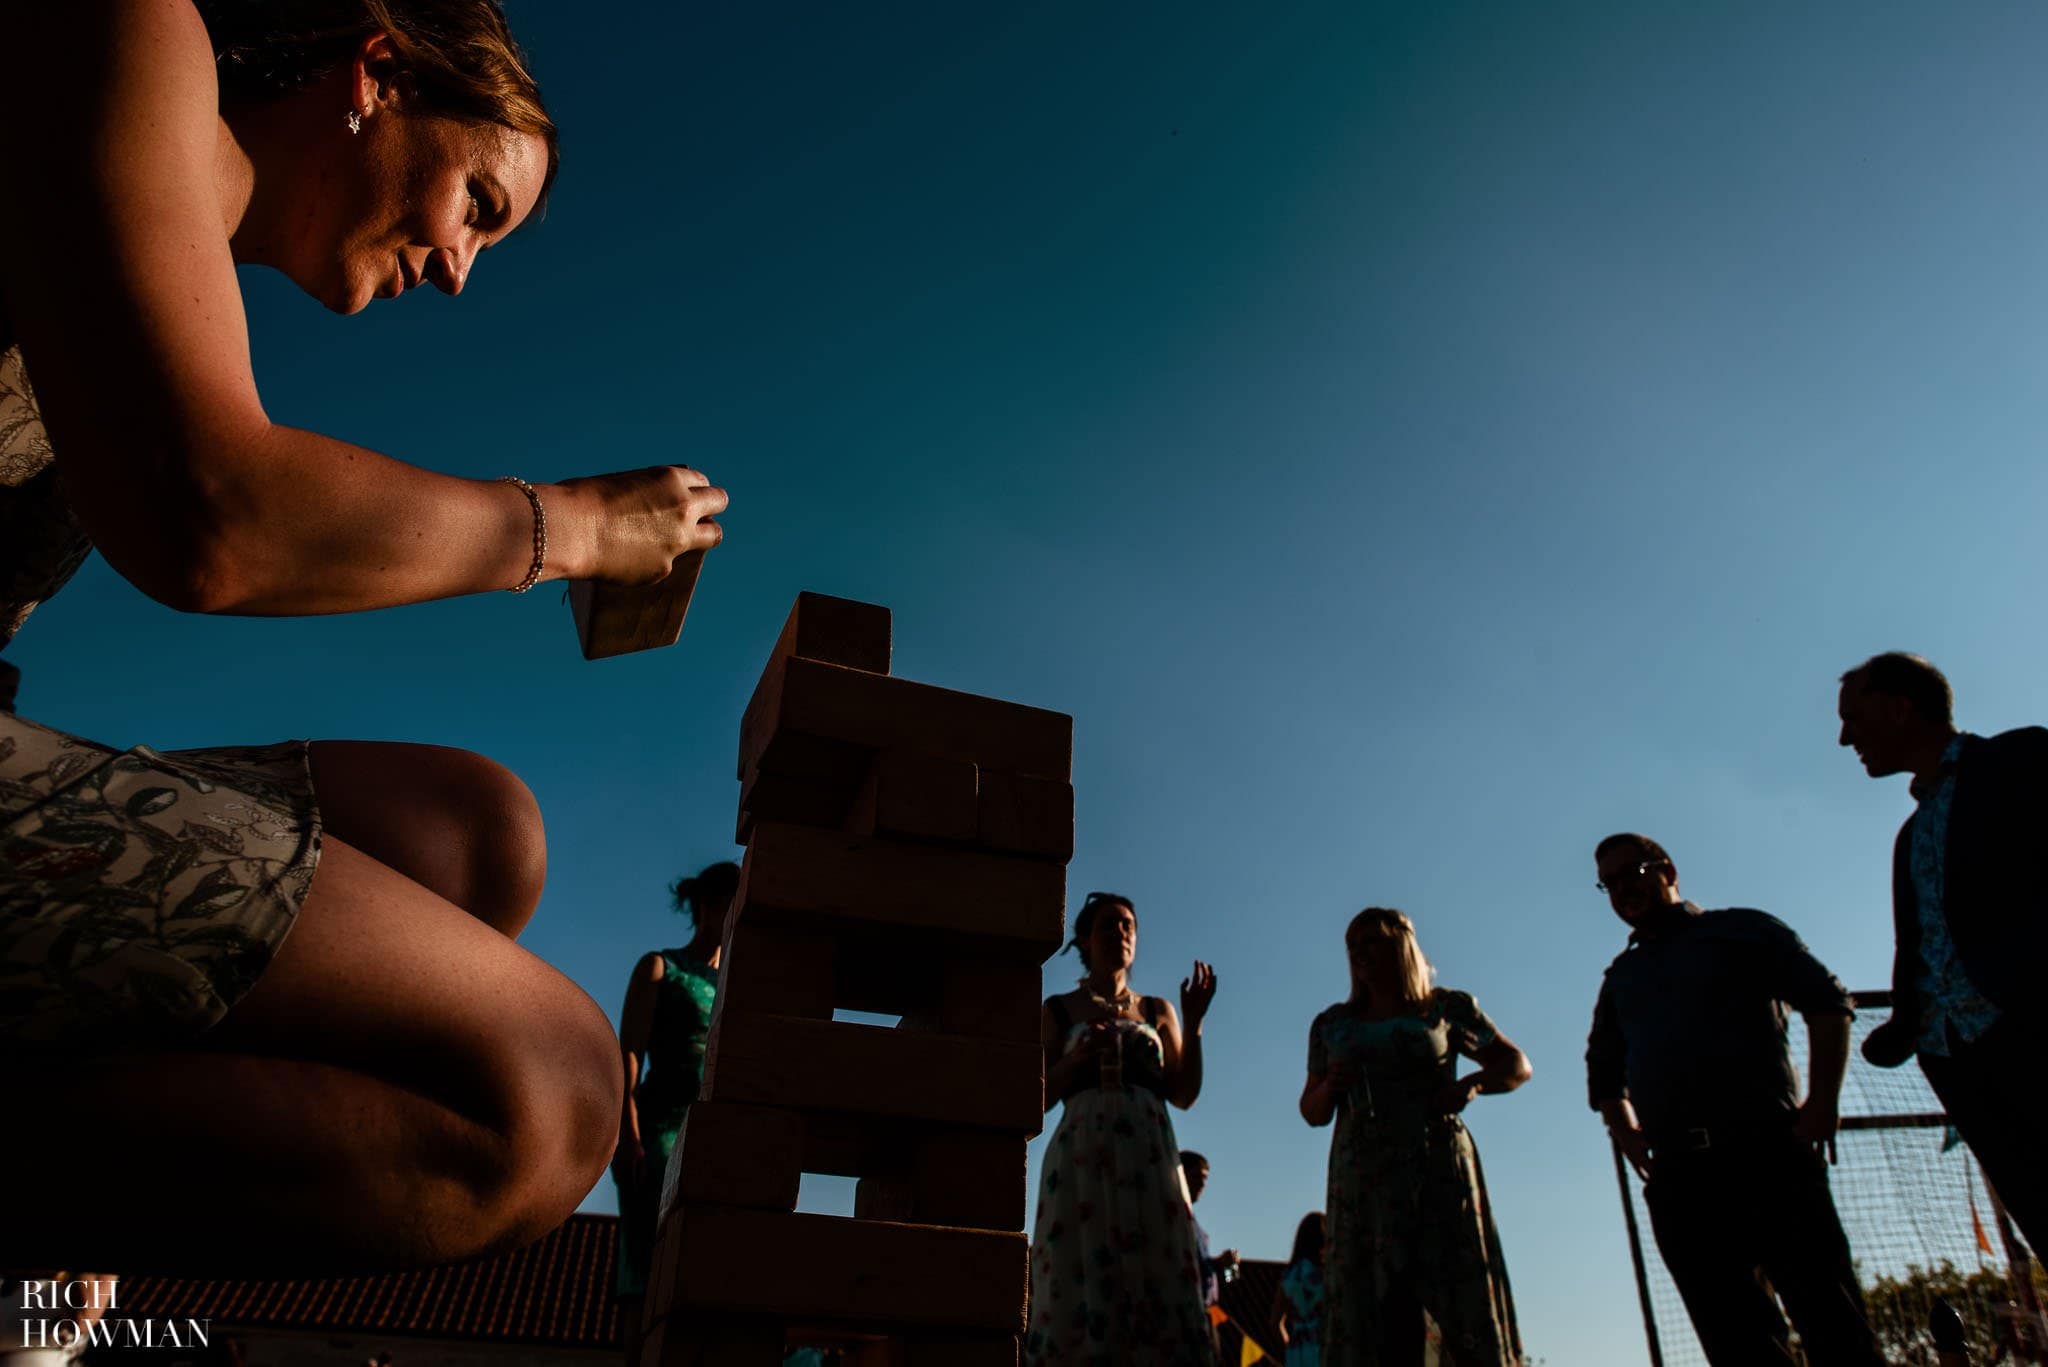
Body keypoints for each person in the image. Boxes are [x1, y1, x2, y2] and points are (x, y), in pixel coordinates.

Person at [0, 0, 728, 1274]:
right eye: (478, 208)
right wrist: (567, 526)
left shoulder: (178, 250)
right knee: (545, 1093)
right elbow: (211, 519)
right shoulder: (125, 29)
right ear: (376, 73)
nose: (457, 270)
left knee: (474, 828)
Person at [1585, 833, 1883, 1367]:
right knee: (1740, 1348)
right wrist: (1626, 1133)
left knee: (1836, 1330)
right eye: (1609, 884)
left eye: (1631, 873)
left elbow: (1828, 1003)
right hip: (1683, 1182)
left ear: (1667, 869)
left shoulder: (1741, 931)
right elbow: (1603, 1073)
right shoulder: (1622, 977)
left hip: (1770, 1156)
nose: (1622, 890)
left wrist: (1823, 1102)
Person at [1837, 652, 2048, 1253]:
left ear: (1900, 709)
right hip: (1959, 1061)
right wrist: (1908, 1025)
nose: (1844, 736)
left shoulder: (2022, 760)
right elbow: (1922, 943)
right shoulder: (1910, 835)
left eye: (1853, 717)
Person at [1301, 907, 1528, 1367]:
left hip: (1436, 1164)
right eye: (1353, 945)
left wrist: (1471, 1085)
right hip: (1362, 1177)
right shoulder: (1333, 1024)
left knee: (1450, 1290)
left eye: (1372, 941)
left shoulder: (1446, 1008)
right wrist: (1330, 1086)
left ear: (1400, 946)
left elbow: (1515, 1065)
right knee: (1374, 1303)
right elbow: (1311, 1111)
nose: (1361, 953)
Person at [1023, 891, 1219, 1367]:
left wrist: (1192, 1025)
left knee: (1158, 1266)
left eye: (1129, 925)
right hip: (1084, 1150)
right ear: (1086, 940)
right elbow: (1038, 1096)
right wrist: (1075, 1062)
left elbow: (1184, 1093)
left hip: (1149, 1152)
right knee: (1084, 1265)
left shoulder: (1156, 1011)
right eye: (1110, 924)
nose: (1122, 932)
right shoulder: (1061, 1010)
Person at [610, 861, 737, 1366]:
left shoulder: (735, 981)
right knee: (646, 1266)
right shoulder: (660, 967)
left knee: (700, 1267)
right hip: (657, 1131)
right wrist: (628, 1134)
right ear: (706, 907)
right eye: (726, 902)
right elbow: (630, 1053)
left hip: (711, 1137)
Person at [1179, 1150, 1239, 1358]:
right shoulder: (1176, 1219)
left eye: (1204, 1180)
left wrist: (1224, 1266)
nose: (1202, 1186)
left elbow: (1229, 1280)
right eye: (1196, 1178)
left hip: (1208, 1312)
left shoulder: (1195, 1225)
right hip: (1187, 1313)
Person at [1271, 1212, 1325, 1367]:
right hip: (1321, 1345)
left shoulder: (1290, 1276)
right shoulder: (1326, 1275)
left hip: (1297, 1350)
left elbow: (1275, 1322)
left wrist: (1288, 1346)